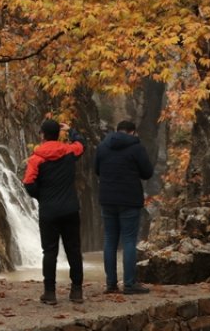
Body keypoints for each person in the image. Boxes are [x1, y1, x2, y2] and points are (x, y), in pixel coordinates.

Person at [23, 119, 85, 305]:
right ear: (58, 134)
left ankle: (50, 292)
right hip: (70, 208)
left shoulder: (36, 159)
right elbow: (82, 144)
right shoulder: (69, 151)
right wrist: (71, 130)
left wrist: (42, 196)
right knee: (73, 249)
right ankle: (76, 291)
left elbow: (28, 183)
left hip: (49, 211)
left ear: (41, 135)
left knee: (49, 251)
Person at [96, 120, 155, 295]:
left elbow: (96, 170)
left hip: (107, 198)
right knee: (129, 240)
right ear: (132, 132)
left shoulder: (102, 147)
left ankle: (111, 284)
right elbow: (147, 172)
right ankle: (129, 284)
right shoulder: (136, 148)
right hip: (129, 199)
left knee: (110, 240)